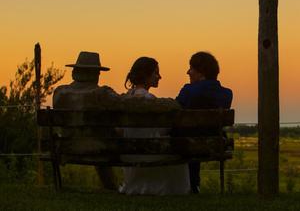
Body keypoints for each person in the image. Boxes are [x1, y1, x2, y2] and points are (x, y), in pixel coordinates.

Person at [119, 57, 190, 195]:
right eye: (156, 73)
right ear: (146, 75)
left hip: (128, 155)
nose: (160, 76)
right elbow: (161, 129)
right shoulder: (150, 101)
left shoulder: (124, 99)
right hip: (150, 153)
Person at [53, 51, 119, 190]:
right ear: (95, 73)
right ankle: (111, 186)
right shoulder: (103, 94)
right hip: (100, 147)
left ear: (75, 72)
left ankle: (110, 186)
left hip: (67, 147)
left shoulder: (59, 93)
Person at [175, 51, 233, 194]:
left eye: (191, 68)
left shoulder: (188, 91)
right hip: (215, 142)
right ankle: (194, 186)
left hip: (186, 143)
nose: (188, 72)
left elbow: (175, 114)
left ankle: (190, 186)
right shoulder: (227, 94)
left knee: (187, 135)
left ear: (201, 72)